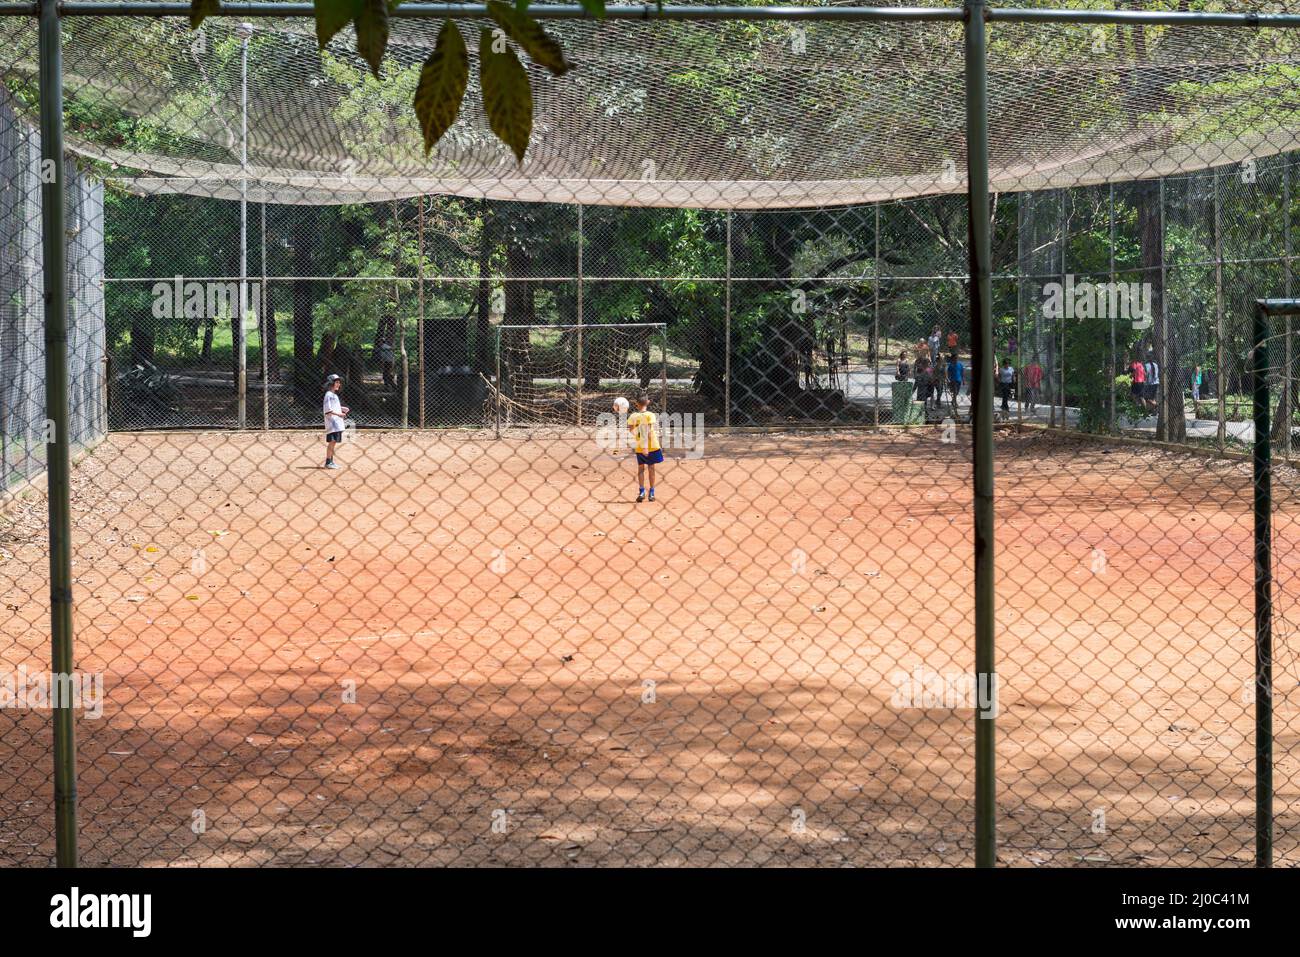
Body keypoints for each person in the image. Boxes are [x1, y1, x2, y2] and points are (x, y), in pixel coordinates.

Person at [627, 394, 663, 503]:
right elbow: (648, 430)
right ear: (648, 402)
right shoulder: (650, 415)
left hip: (640, 446)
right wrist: (646, 445)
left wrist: (639, 438)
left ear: (636, 404)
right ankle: (651, 492)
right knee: (651, 468)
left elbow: (631, 429)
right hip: (651, 446)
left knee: (641, 468)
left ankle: (642, 491)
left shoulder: (633, 416)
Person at [323, 373, 349, 469]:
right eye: (337, 382)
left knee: (333, 442)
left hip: (336, 423)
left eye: (339, 382)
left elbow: (333, 407)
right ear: (331, 383)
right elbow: (327, 410)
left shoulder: (333, 395)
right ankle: (328, 462)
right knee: (332, 442)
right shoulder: (329, 395)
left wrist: (342, 408)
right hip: (332, 423)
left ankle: (330, 461)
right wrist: (340, 414)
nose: (339, 384)